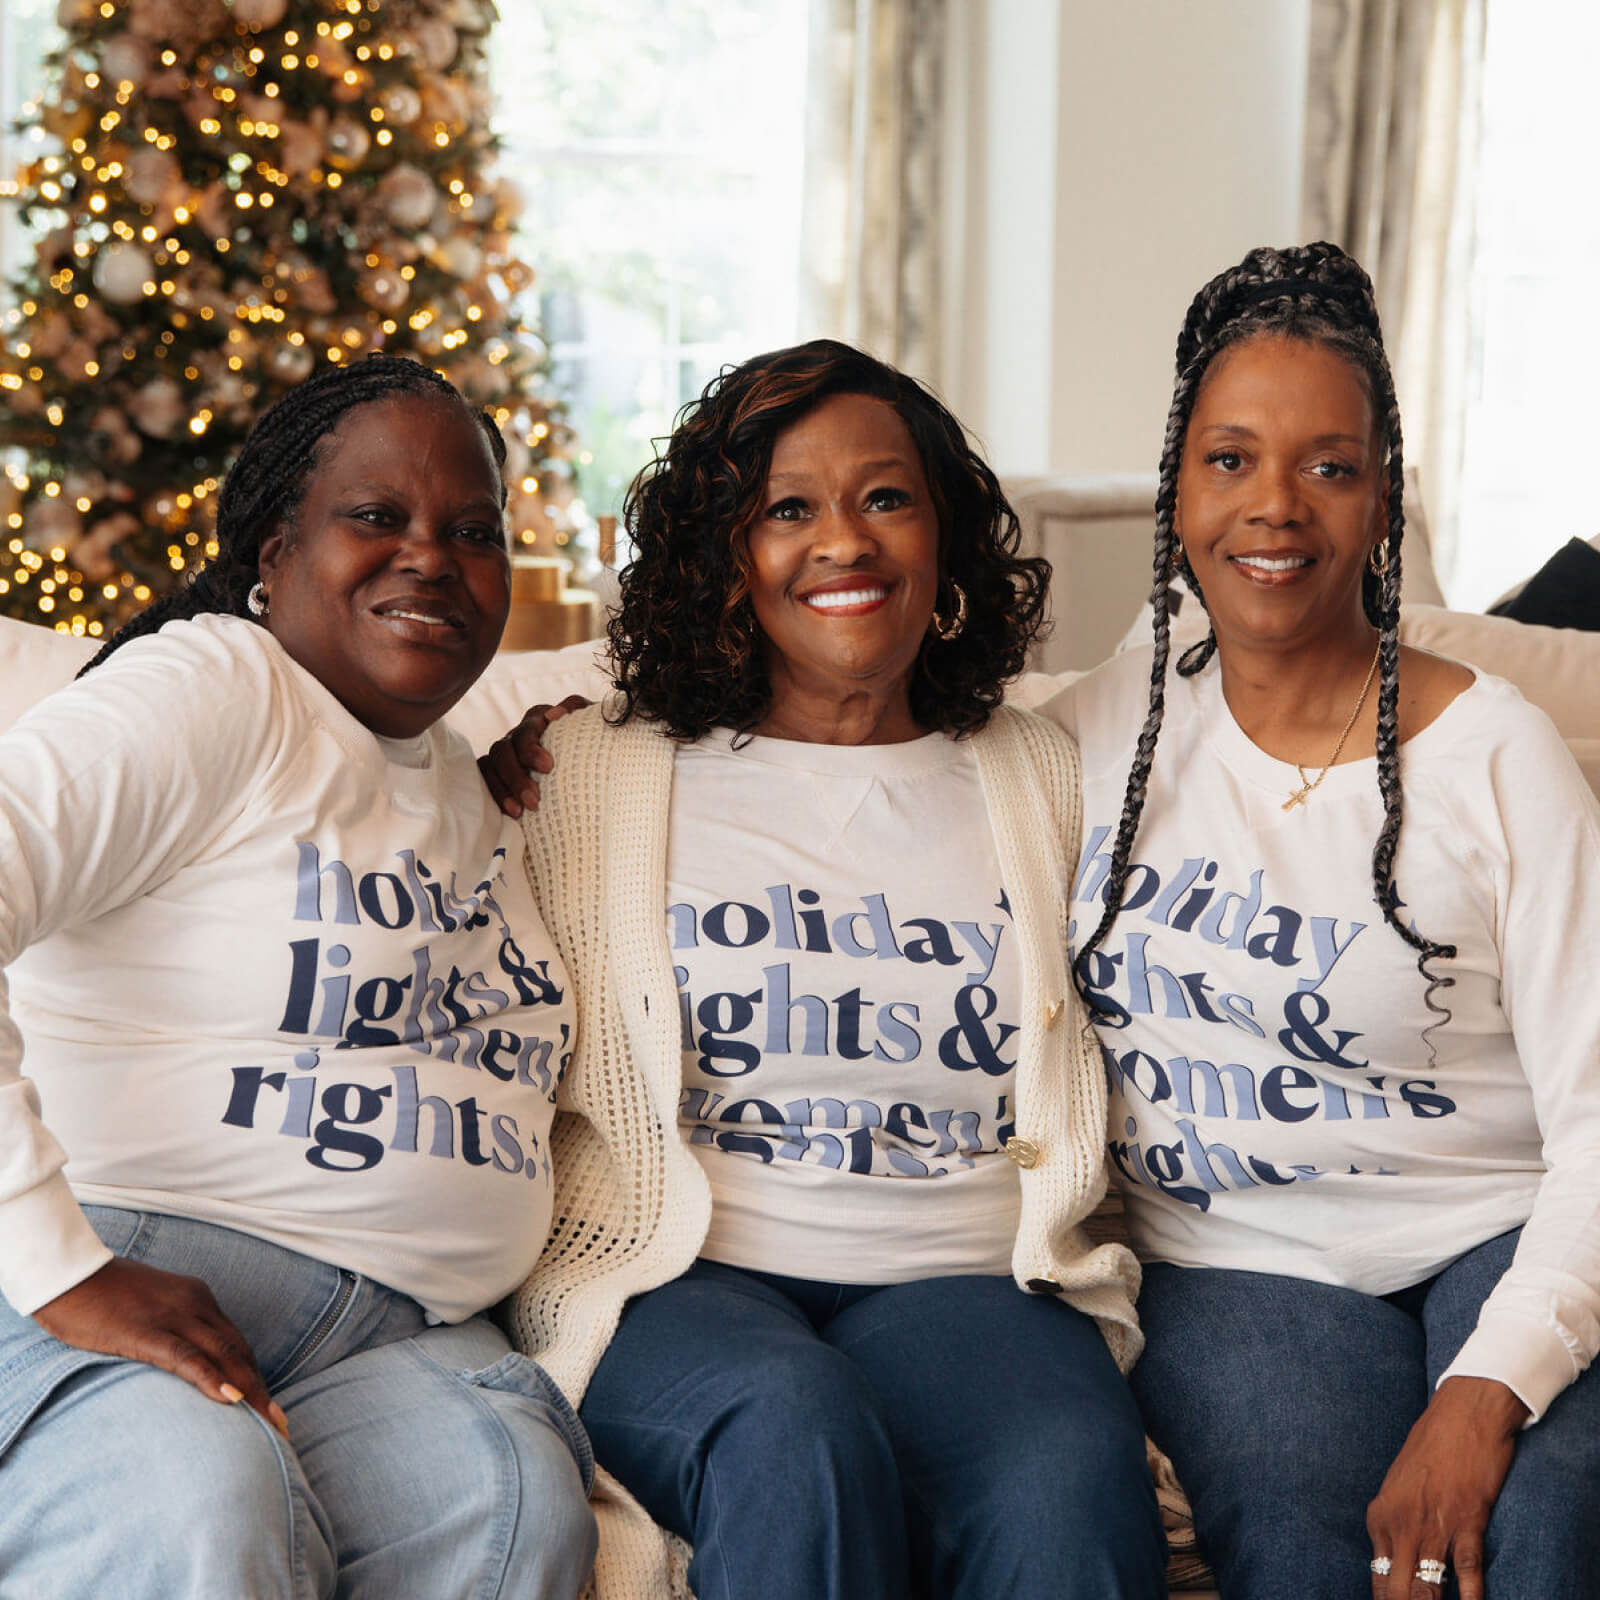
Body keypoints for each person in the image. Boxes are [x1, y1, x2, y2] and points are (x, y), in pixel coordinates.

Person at [488, 339, 1168, 1599]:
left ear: (945, 536)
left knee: (1065, 1482)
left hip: (962, 1276)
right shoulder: (585, 775)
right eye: (787, 508)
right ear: (724, 557)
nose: (842, 541)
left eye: (885, 498)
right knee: (788, 1424)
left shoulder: (1051, 775)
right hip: (675, 1274)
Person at [1045, 242, 1600, 1599]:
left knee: (1532, 1543)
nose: (1274, 508)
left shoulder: (1496, 754)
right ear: (1176, 485)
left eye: (1328, 466)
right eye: (1230, 459)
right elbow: (856, 759)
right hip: (1235, 1260)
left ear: (1384, 494)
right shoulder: (1084, 739)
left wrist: (1489, 1389)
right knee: (1310, 1560)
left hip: (1503, 1228)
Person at [0, 356, 597, 1597]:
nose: (431, 556)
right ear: (272, 552)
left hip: (393, 1339)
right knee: (197, 1500)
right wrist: (59, 1267)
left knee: (506, 1507)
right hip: (125, 1264)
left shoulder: (456, 778)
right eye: (377, 517)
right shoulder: (214, 687)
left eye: (472, 532)